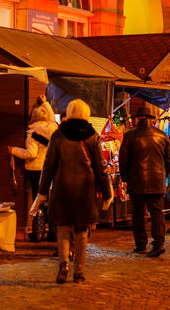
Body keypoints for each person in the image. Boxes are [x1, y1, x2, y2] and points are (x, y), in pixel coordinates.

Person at [33, 99, 113, 284]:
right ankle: (79, 272)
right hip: (85, 190)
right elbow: (101, 167)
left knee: (62, 228)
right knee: (81, 231)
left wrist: (42, 192)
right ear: (86, 114)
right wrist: (107, 193)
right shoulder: (92, 136)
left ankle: (64, 264)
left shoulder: (59, 135)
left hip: (62, 188)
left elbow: (48, 166)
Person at [119, 101, 170, 258]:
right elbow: (169, 161)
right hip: (157, 180)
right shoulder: (162, 136)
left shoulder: (130, 135)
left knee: (137, 215)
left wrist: (125, 177)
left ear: (138, 119)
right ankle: (158, 243)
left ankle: (140, 244)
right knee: (157, 213)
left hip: (137, 180)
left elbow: (123, 160)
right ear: (152, 119)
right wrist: (162, 173)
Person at [7, 95, 58, 242]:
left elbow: (31, 154)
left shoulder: (32, 134)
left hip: (35, 170)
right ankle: (53, 232)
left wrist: (13, 150)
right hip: (49, 169)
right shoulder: (52, 128)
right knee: (48, 200)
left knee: (38, 201)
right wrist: (46, 103)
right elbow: (52, 119)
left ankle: (38, 234)